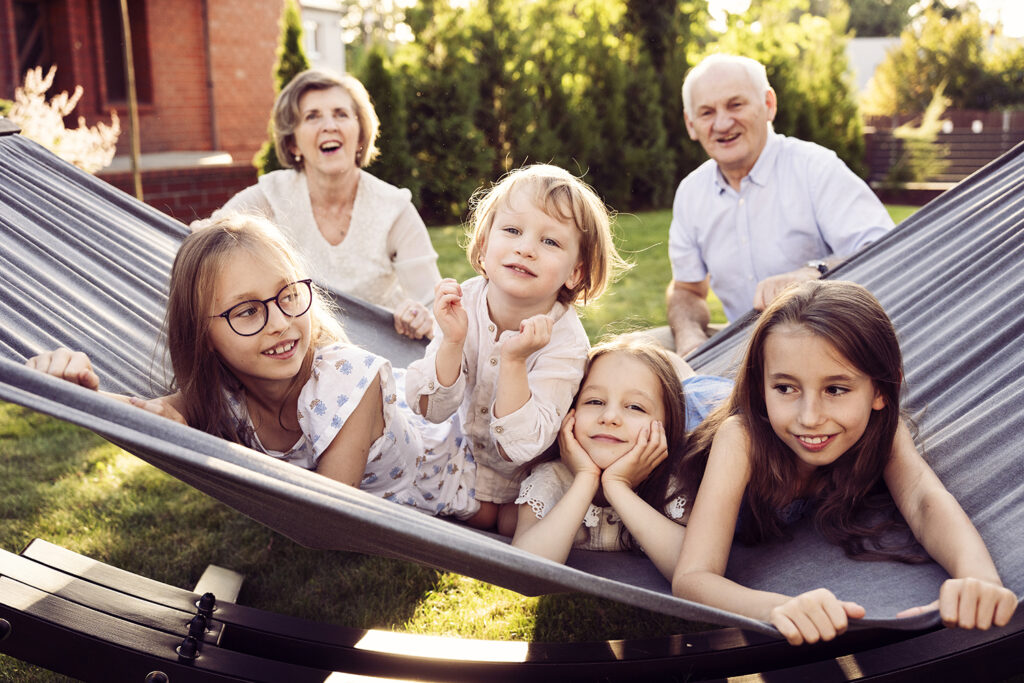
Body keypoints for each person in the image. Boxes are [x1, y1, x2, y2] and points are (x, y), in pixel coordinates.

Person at [26, 214, 478, 520]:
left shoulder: (349, 381)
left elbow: (324, 513)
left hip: (450, 468)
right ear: (202, 334)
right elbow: (150, 415)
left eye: (287, 295)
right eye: (246, 312)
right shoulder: (219, 394)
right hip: (392, 492)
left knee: (499, 515)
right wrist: (79, 388)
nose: (281, 324)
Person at [670, 280, 1018, 646]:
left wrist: (977, 578)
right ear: (761, 386)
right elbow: (693, 577)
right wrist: (775, 607)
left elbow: (924, 501)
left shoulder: (881, 433)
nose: (810, 417)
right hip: (682, 413)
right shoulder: (740, 439)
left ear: (881, 390)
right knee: (675, 377)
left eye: (835, 389)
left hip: (728, 401)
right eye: (785, 387)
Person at [405, 164, 629, 534]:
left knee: (513, 520)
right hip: (458, 453)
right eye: (512, 231)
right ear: (484, 244)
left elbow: (522, 448)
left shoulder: (566, 342)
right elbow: (430, 409)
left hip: (521, 476)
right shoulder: (465, 303)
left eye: (550, 241)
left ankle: (479, 508)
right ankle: (469, 504)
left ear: (575, 272)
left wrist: (514, 360)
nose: (525, 248)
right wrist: (453, 342)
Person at [666, 53, 895, 355]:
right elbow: (687, 290)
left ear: (769, 104)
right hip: (745, 358)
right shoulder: (691, 193)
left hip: (833, 351)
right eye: (707, 112)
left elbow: (887, 252)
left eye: (736, 105)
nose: (722, 123)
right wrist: (689, 338)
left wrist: (813, 274)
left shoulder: (816, 168)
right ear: (690, 124)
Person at [208, 68, 439, 341]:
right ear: (293, 144)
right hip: (294, 358)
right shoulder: (271, 196)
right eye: (312, 116)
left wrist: (421, 317)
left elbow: (433, 306)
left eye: (341, 114)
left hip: (377, 358)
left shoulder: (394, 208)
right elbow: (208, 240)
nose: (330, 125)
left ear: (361, 137)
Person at [511, 337, 731, 574]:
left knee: (690, 386)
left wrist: (617, 486)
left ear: (666, 427)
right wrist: (585, 478)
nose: (610, 417)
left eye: (635, 407)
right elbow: (523, 567)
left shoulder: (673, 480)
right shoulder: (552, 478)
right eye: (595, 401)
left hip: (706, 401)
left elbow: (694, 569)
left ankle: (680, 362)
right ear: (570, 411)